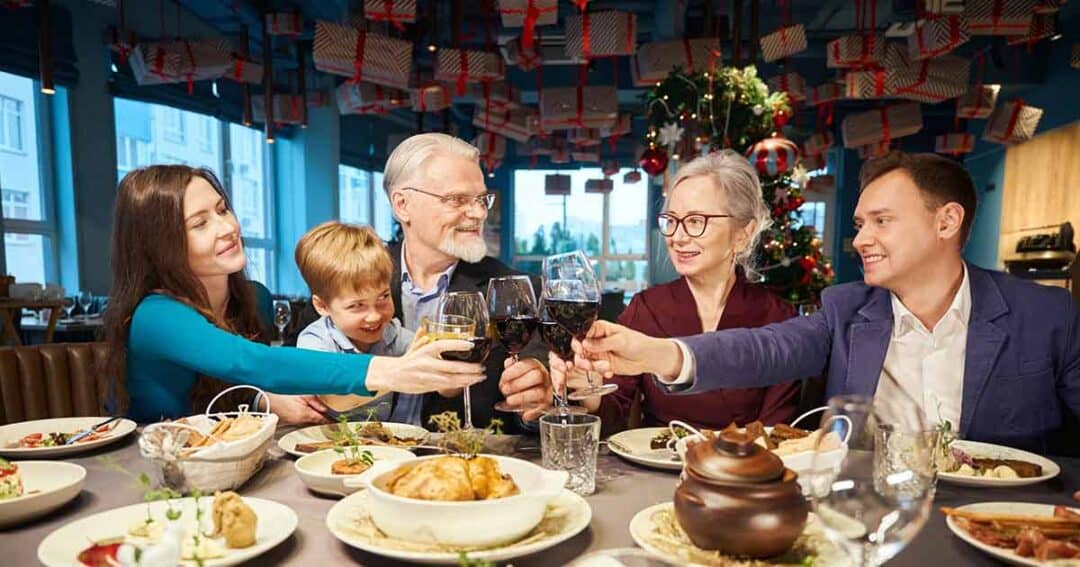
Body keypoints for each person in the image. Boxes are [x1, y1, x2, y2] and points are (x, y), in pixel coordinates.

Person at [558, 151, 1080, 454]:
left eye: (881, 221)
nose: (860, 240)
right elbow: (760, 351)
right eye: (858, 224)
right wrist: (656, 354)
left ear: (945, 222)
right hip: (870, 516)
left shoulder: (1050, 317)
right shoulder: (845, 311)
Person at [103, 165, 485, 424]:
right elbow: (249, 363)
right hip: (152, 471)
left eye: (222, 209)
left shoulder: (255, 297)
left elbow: (231, 388)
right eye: (200, 223)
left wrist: (266, 401)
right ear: (160, 244)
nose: (227, 227)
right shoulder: (156, 315)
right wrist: (396, 370)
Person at [294, 133, 553, 427]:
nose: (479, 212)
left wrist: (538, 397)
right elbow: (301, 382)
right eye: (457, 199)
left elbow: (535, 414)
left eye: (482, 199)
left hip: (469, 466)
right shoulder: (347, 275)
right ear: (402, 204)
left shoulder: (518, 291)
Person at [560, 151, 802, 435]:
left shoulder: (780, 319)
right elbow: (615, 409)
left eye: (696, 221)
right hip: (654, 470)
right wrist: (588, 390)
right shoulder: (646, 308)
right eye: (671, 220)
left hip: (744, 473)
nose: (677, 237)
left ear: (742, 234)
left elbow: (779, 433)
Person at [293, 221, 438, 425]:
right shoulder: (315, 341)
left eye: (383, 297)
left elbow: (412, 407)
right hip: (328, 441)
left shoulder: (398, 337)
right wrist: (402, 370)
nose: (374, 316)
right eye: (357, 306)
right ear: (322, 306)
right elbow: (334, 397)